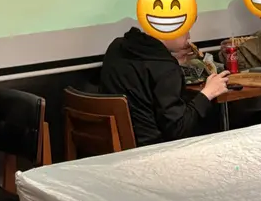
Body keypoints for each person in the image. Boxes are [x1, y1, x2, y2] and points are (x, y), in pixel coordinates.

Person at [97, 26, 229, 147]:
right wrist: (208, 93)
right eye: (185, 29)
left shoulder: (117, 47)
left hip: (113, 145)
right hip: (152, 150)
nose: (189, 36)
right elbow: (179, 130)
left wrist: (171, 60)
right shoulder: (165, 67)